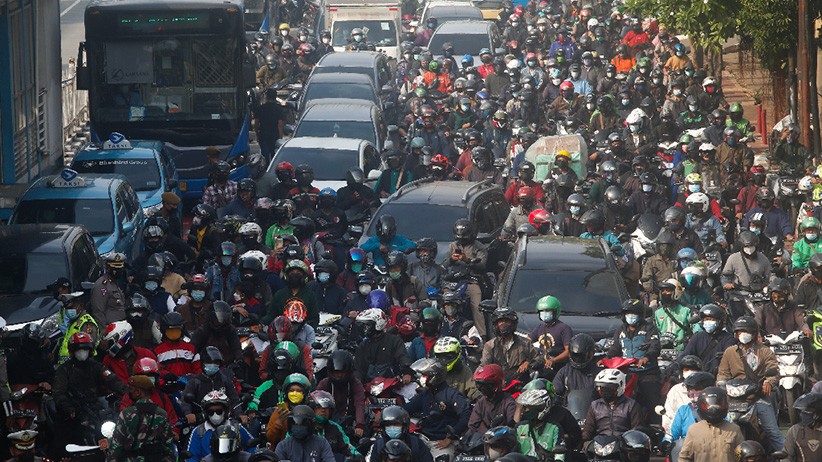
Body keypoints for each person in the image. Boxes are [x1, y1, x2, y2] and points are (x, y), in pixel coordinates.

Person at [53, 333, 128, 452]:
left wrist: (130, 394)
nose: (82, 352)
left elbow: (114, 381)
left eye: (85, 349)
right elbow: (58, 391)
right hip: (74, 413)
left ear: (91, 350)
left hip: (97, 410)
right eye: (78, 349)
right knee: (63, 440)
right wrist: (67, 406)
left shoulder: (97, 367)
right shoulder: (64, 370)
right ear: (72, 351)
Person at [605, 299, 662, 417]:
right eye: (627, 313)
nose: (630, 316)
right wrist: (606, 359)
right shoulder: (620, 330)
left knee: (653, 400)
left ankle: (656, 424)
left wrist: (647, 357)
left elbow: (655, 347)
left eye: (633, 313)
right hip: (626, 372)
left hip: (647, 373)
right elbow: (615, 348)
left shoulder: (649, 328)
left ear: (640, 314)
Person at [405, 358, 471, 457]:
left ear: (435, 376)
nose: (421, 378)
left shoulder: (452, 395)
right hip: (423, 439)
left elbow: (466, 415)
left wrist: (451, 438)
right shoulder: (425, 394)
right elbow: (406, 409)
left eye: (424, 375)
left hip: (442, 442)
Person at [108, 374, 176, 462]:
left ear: (138, 392)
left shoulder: (126, 414)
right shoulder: (162, 414)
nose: (129, 393)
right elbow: (168, 445)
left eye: (131, 390)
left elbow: (116, 446)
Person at [443, 219, 489, 337]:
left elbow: (482, 265)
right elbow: (443, 265)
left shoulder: (479, 247)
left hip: (471, 281)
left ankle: (482, 334)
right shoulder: (452, 246)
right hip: (452, 282)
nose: (461, 241)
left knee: (477, 306)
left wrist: (466, 260)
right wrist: (451, 259)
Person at [716, 317, 779, 400]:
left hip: (758, 394)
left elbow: (773, 369)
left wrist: (769, 382)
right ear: (736, 334)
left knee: (766, 412)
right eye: (740, 332)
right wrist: (722, 385)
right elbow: (723, 374)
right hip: (735, 394)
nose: (743, 334)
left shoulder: (765, 351)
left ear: (753, 334)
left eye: (746, 331)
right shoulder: (729, 352)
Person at [678, 387, 744, 462]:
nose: (713, 409)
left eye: (718, 405)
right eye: (707, 406)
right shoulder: (694, 430)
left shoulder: (734, 430)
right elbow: (684, 458)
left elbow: (742, 456)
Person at [187, 390, 255, 462]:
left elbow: (252, 446)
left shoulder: (236, 427)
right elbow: (192, 457)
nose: (215, 415)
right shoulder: (199, 431)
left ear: (226, 412)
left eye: (219, 411)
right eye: (211, 412)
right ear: (206, 413)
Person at [181, 346, 241, 423]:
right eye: (209, 362)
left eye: (216, 362)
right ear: (203, 363)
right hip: (201, 421)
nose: (213, 364)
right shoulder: (195, 382)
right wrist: (188, 413)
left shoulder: (225, 380)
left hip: (224, 420)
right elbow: (185, 400)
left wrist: (239, 413)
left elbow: (234, 398)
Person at [315, 350, 368, 437]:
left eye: (342, 372)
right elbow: (316, 402)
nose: (339, 375)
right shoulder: (324, 383)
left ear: (348, 372)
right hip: (326, 423)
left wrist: (359, 425)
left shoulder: (355, 384)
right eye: (336, 372)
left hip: (349, 424)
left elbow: (359, 403)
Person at [581, 368, 643, 441]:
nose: (605, 391)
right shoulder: (595, 405)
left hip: (623, 444)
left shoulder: (631, 405)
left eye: (609, 388)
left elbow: (637, 430)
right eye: (602, 388)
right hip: (600, 444)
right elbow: (588, 429)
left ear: (620, 386)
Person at [353, 308, 413, 383]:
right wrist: (357, 382)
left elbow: (403, 357)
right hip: (369, 386)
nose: (365, 329)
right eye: (364, 326)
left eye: (367, 325)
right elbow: (358, 368)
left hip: (393, 384)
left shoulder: (394, 341)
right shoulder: (363, 345)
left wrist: (406, 373)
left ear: (378, 323)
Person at [480, 307, 538, 382]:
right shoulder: (489, 345)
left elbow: (539, 358)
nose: (503, 324)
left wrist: (528, 363)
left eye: (506, 321)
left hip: (521, 384)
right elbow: (484, 366)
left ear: (513, 323)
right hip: (498, 385)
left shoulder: (525, 343)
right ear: (496, 325)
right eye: (500, 322)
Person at [722, 231, 771, 317]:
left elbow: (770, 275)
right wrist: (727, 284)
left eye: (752, 246)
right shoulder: (733, 258)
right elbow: (725, 276)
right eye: (747, 246)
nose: (749, 249)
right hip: (738, 296)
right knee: (736, 318)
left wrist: (769, 285)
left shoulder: (763, 259)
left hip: (758, 296)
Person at [680, 304, 736, 376]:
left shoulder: (728, 338)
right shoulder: (697, 337)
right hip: (698, 376)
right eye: (706, 319)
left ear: (719, 321)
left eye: (712, 319)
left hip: (719, 376)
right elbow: (686, 355)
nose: (709, 322)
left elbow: (730, 358)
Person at [368, 406, 434, 462]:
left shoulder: (416, 443)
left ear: (405, 426)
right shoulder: (379, 445)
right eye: (388, 425)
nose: (392, 428)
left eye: (396, 425)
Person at [662, 357, 707, 438]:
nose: (690, 372)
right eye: (686, 369)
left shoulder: (708, 389)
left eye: (694, 369)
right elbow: (668, 414)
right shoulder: (676, 390)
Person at [528, 295, 572, 374]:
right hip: (542, 367)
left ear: (555, 312)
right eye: (542, 311)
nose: (544, 313)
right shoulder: (540, 327)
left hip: (559, 369)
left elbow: (568, 351)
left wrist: (554, 360)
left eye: (548, 311)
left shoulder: (564, 328)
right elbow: (526, 342)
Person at [467, 364, 516, 434]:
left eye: (483, 386)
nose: (480, 388)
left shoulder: (508, 402)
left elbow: (512, 424)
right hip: (483, 440)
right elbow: (473, 425)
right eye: (478, 385)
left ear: (494, 385)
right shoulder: (481, 403)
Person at [515, 387, 562, 458]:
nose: (525, 411)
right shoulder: (519, 428)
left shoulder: (554, 428)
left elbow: (560, 457)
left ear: (541, 409)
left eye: (529, 408)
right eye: (525, 408)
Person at [56, 290, 100, 364]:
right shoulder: (72, 322)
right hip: (68, 367)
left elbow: (88, 348)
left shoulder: (86, 323)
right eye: (67, 309)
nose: (68, 311)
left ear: (81, 306)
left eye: (71, 308)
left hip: (81, 366)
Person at [154, 311, 201, 377]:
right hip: (167, 385)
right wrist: (166, 375)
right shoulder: (157, 351)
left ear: (182, 331)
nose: (173, 334)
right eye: (170, 331)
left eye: (176, 331)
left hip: (189, 385)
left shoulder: (191, 349)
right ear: (164, 331)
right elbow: (156, 369)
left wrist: (193, 379)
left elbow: (198, 368)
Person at [653, 279, 696, 350]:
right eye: (662, 291)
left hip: (682, 351)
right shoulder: (658, 312)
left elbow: (696, 330)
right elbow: (656, 333)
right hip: (663, 352)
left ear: (676, 292)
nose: (664, 293)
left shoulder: (686, 310)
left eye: (668, 290)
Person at [783, 392, 822, 462]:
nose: (802, 415)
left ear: (818, 413)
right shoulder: (795, 430)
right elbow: (787, 456)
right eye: (801, 412)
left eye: (806, 412)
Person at [91, 253, 127, 326]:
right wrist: (104, 332)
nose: (118, 271)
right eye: (115, 268)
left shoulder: (114, 284)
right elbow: (98, 312)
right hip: (109, 329)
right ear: (108, 268)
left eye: (120, 268)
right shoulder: (102, 285)